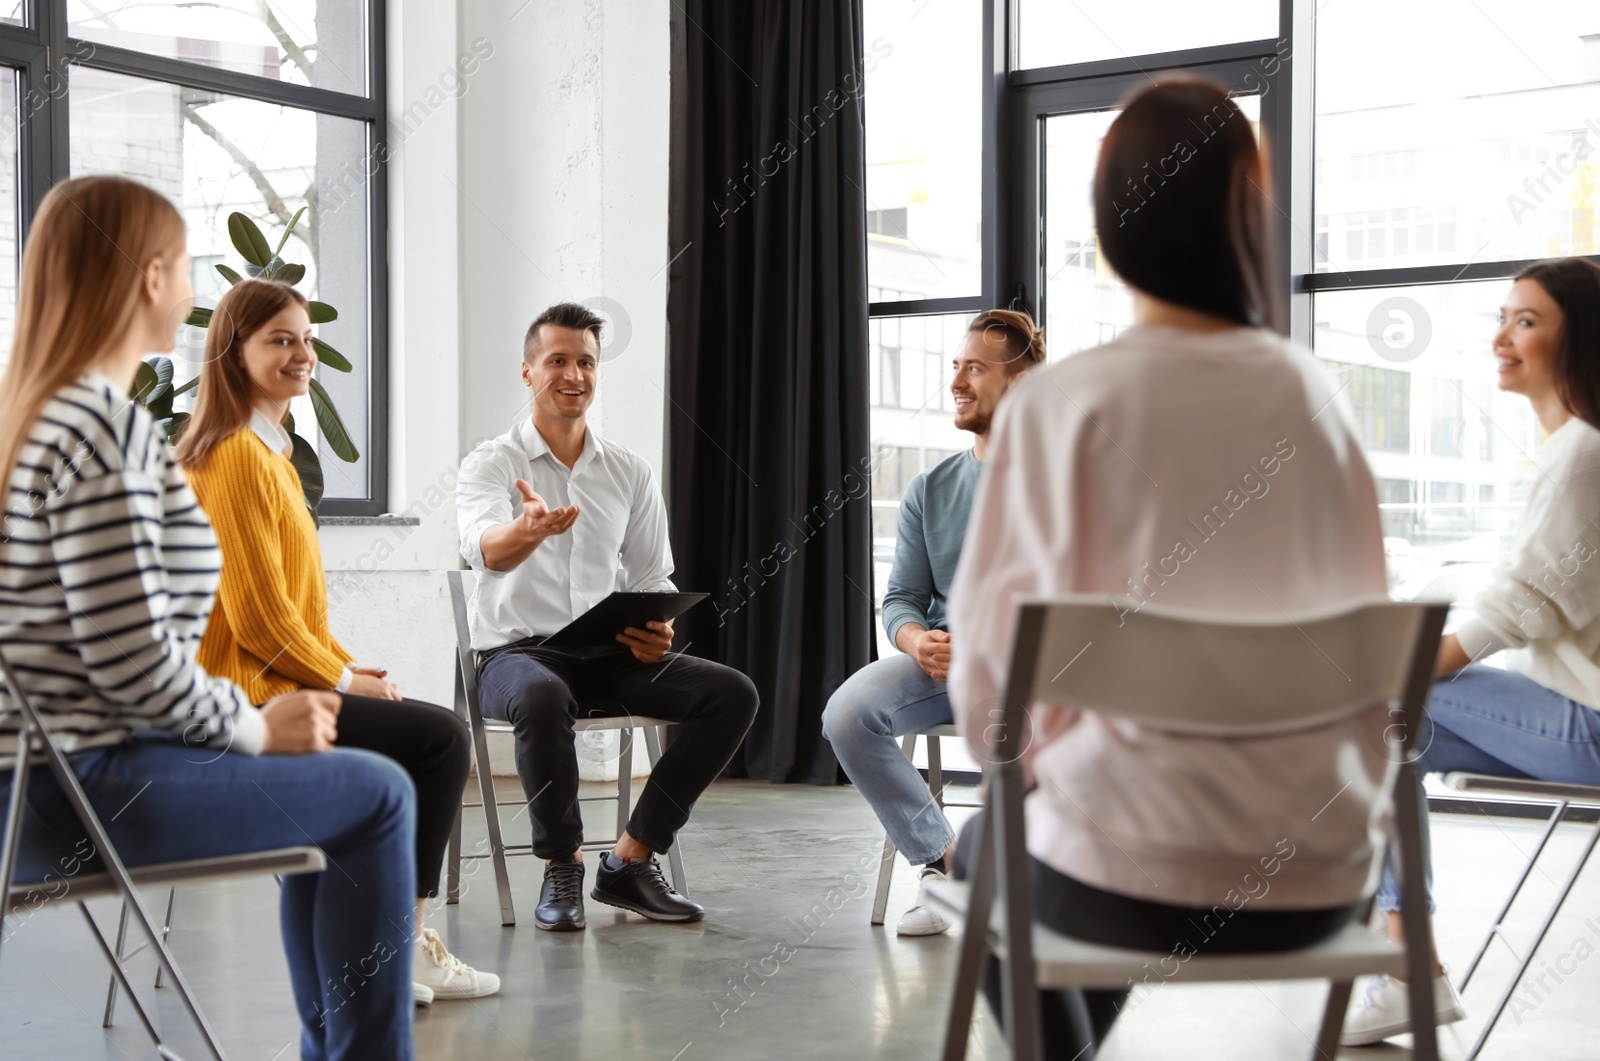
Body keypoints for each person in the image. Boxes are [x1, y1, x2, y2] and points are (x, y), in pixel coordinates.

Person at [946, 79, 1396, 1058]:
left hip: (1121, 876)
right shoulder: (1319, 398)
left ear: (1110, 222)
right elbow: (1370, 663)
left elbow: (989, 689)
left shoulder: (1060, 404)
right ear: (1250, 215)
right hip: (1319, 879)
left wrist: (1054, 766)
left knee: (988, 846)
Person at [0, 175, 415, 1059]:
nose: (193, 290)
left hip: (44, 785)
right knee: (379, 791)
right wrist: (255, 726)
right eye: (183, 267)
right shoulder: (98, 426)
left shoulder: (40, 416)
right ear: (149, 278)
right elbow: (134, 666)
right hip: (78, 795)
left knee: (350, 787)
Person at [173, 278, 496, 1007]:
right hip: (245, 697)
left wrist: (343, 666)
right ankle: (403, 947)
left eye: (306, 338)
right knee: (440, 739)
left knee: (412, 736)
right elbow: (257, 620)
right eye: (280, 339)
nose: (302, 353)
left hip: (279, 683)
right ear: (234, 352)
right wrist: (343, 682)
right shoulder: (230, 456)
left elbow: (293, 608)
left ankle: (382, 946)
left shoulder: (270, 454)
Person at [1341, 257, 1600, 1045]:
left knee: (1370, 700)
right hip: (1570, 715)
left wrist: (1404, 661)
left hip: (1588, 727)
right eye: (1503, 316)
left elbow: (1515, 608)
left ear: (1578, 337)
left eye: (1527, 320)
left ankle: (1404, 962)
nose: (1502, 337)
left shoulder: (1583, 450)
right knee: (1374, 731)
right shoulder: (1571, 449)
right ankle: (1400, 957)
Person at [455, 301, 759, 931]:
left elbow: (653, 577)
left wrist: (659, 629)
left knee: (730, 693)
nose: (574, 374)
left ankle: (629, 860)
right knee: (541, 695)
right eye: (557, 361)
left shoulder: (628, 471)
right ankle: (561, 864)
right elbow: (486, 548)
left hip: (606, 653)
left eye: (586, 361)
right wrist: (527, 530)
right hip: (515, 660)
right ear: (528, 373)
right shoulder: (491, 464)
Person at [822, 310, 1041, 936]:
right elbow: (901, 599)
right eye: (956, 366)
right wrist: (917, 639)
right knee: (847, 714)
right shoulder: (930, 487)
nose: (957, 382)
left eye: (975, 368)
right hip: (947, 666)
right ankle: (947, 864)